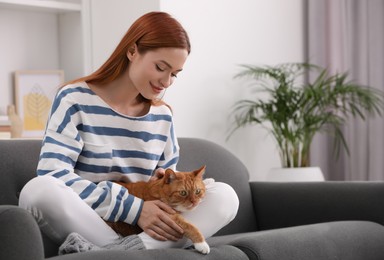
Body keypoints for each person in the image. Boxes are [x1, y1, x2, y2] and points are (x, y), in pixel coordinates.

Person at [18, 11, 239, 254]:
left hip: (144, 231)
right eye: (160, 67)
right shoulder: (74, 99)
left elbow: (167, 182)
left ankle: (119, 252)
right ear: (132, 51)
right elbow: (54, 173)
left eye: (174, 74)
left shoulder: (163, 117)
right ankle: (134, 253)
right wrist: (134, 210)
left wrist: (164, 184)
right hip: (90, 221)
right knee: (37, 190)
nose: (166, 82)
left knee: (226, 196)